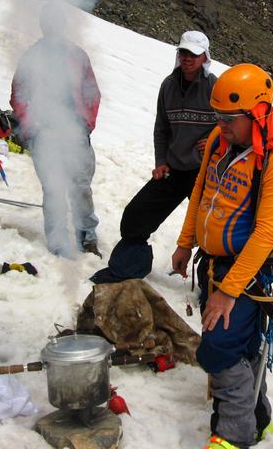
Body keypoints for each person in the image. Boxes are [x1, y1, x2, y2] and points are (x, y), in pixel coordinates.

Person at [171, 64, 273, 449]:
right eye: (218, 117)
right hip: (213, 267)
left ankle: (233, 435)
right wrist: (185, 240)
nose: (221, 125)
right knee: (241, 346)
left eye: (229, 118)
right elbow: (202, 190)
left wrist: (228, 291)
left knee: (219, 348)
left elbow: (265, 235)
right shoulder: (219, 142)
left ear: (258, 114)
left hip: (248, 274)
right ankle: (257, 418)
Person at [91, 31, 217, 283]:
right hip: (173, 168)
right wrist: (161, 162)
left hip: (204, 172)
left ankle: (212, 284)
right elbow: (162, 128)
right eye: (183, 52)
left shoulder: (215, 87)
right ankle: (128, 270)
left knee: (212, 229)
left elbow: (232, 125)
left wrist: (216, 140)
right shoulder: (168, 86)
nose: (187, 58)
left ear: (205, 57)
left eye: (194, 54)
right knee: (136, 216)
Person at [10, 1, 101, 257]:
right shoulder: (31, 57)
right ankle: (59, 242)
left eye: (56, 23)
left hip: (75, 132)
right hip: (45, 131)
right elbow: (18, 94)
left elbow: (92, 92)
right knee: (52, 188)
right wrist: (31, 127)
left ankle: (88, 239)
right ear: (42, 26)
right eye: (47, 24)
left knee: (81, 187)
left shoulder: (77, 56)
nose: (52, 28)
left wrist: (85, 124)